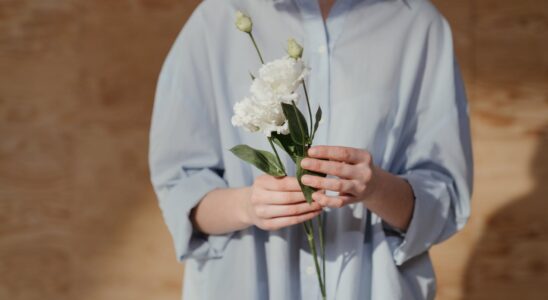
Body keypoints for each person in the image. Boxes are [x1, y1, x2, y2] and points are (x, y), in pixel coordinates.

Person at [148, 0, 473, 299]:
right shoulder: (219, 18)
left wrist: (375, 187)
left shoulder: (417, 24)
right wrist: (246, 206)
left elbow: (444, 194)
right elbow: (179, 185)